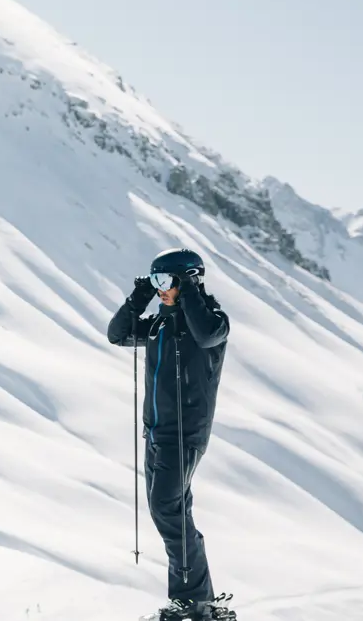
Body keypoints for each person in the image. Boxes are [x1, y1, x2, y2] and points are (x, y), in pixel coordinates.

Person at [107, 248, 236, 621]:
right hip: (156, 433)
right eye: (156, 281)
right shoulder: (159, 326)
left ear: (188, 281)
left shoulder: (211, 324)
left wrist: (190, 293)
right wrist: (140, 295)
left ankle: (190, 601)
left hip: (186, 434)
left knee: (168, 508)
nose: (161, 288)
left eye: (166, 281)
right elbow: (118, 334)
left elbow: (208, 335)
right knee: (173, 511)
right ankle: (201, 602)